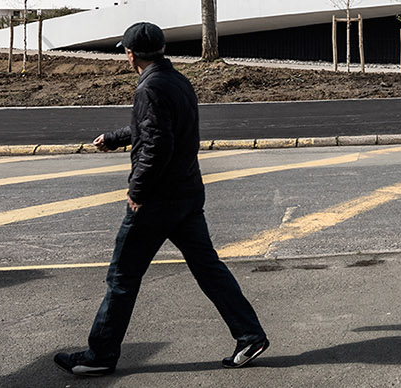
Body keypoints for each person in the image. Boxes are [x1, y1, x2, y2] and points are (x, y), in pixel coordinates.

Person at [54, 21, 268, 377]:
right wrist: (116, 137)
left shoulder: (149, 89)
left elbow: (156, 144)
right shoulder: (177, 80)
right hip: (186, 193)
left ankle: (101, 353)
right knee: (208, 268)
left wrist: (138, 192)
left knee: (122, 277)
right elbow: (156, 130)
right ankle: (250, 335)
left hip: (157, 200)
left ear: (131, 53)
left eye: (125, 50)